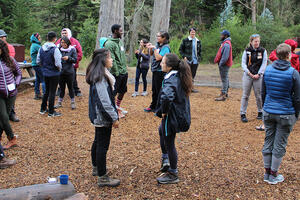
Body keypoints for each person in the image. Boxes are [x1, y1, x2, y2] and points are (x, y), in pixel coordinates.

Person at [261, 43, 300, 185]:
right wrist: (296, 114)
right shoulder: (293, 73)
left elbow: (263, 93)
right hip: (285, 113)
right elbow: (297, 97)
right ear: (289, 55)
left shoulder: (268, 70)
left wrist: (266, 107)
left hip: (269, 111)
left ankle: (267, 173)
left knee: (268, 140)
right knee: (279, 144)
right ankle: (273, 175)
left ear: (276, 55)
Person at [155, 53, 192, 184]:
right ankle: (166, 159)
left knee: (169, 142)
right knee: (161, 131)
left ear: (169, 66)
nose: (160, 64)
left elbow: (166, 97)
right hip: (178, 114)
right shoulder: (177, 75)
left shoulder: (171, 80)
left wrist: (164, 112)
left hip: (172, 116)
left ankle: (173, 173)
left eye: (163, 62)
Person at [86, 48, 120, 187]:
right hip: (102, 117)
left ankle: (96, 167)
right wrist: (114, 117)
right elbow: (104, 101)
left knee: (97, 141)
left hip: (98, 115)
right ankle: (102, 176)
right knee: (102, 146)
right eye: (110, 57)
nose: (111, 60)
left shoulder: (100, 74)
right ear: (103, 60)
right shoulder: (100, 78)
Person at [240, 34, 267, 123]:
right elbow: (243, 63)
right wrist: (249, 73)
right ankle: (243, 113)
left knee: (259, 95)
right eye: (255, 41)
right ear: (251, 42)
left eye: (258, 41)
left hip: (258, 76)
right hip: (248, 75)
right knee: (245, 95)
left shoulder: (263, 51)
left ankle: (260, 111)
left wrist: (259, 74)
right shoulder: (247, 50)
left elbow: (264, 63)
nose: (257, 43)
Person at [0, 40, 21, 149]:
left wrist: (16, 83)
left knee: (5, 117)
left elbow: (18, 73)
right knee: (3, 116)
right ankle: (12, 138)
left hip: (11, 93)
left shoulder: (10, 60)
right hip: (0, 94)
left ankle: (8, 140)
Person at [105, 24, 128, 118]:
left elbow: (122, 56)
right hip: (117, 73)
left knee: (123, 91)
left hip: (124, 71)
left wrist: (125, 70)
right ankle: (113, 110)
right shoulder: (109, 44)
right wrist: (117, 72)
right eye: (120, 30)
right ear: (115, 31)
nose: (122, 32)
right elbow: (112, 59)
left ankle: (117, 106)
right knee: (113, 93)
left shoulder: (119, 42)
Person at [144, 31, 171, 112]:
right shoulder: (158, 45)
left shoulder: (166, 47)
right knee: (154, 90)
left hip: (161, 71)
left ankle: (159, 108)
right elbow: (152, 54)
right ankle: (153, 105)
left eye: (159, 36)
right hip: (155, 70)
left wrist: (155, 49)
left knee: (160, 90)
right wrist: (151, 48)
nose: (157, 37)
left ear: (164, 38)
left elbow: (159, 58)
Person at [37, 31, 62, 117]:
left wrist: (44, 67)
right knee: (52, 92)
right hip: (54, 73)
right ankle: (51, 112)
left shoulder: (41, 48)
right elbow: (58, 63)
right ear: (55, 39)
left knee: (46, 91)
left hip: (45, 73)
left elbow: (38, 61)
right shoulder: (55, 49)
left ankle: (43, 109)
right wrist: (59, 69)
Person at [56, 28, 83, 97]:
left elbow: (79, 53)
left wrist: (75, 61)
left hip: (72, 64)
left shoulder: (74, 41)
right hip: (61, 65)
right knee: (61, 78)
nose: (64, 34)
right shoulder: (58, 41)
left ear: (69, 33)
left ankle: (76, 91)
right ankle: (60, 90)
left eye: (65, 33)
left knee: (73, 78)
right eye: (62, 33)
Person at [0, 29, 19, 122]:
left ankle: (12, 113)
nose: (3, 38)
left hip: (8, 75)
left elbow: (10, 60)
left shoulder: (10, 47)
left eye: (3, 37)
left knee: (11, 95)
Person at [55, 36, 77, 110]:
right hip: (61, 72)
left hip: (69, 72)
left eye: (64, 42)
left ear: (68, 42)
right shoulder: (58, 49)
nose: (63, 44)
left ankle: (73, 102)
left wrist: (68, 58)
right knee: (61, 88)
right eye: (62, 42)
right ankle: (59, 102)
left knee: (70, 87)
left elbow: (75, 60)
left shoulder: (72, 49)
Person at [179, 27, 202, 93]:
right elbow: (181, 50)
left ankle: (191, 87)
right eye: (191, 32)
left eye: (194, 32)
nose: (193, 33)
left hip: (195, 60)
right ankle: (185, 88)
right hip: (188, 60)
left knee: (193, 74)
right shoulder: (185, 40)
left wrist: (199, 58)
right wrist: (184, 56)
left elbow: (200, 51)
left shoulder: (198, 41)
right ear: (189, 32)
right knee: (186, 74)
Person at [214, 30, 233, 101]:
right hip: (225, 64)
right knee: (226, 78)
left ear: (225, 36)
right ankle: (225, 92)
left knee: (224, 79)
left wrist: (221, 64)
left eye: (222, 35)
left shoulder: (226, 44)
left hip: (224, 65)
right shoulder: (225, 43)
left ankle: (224, 95)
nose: (220, 36)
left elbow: (225, 57)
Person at [30, 33, 45, 100]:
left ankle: (37, 94)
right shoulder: (36, 46)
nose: (40, 38)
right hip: (38, 65)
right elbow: (44, 51)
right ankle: (45, 94)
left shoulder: (34, 45)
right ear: (36, 39)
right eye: (39, 37)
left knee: (38, 79)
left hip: (35, 64)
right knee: (44, 79)